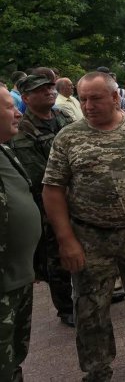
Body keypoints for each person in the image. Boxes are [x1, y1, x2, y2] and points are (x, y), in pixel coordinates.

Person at [42, 72, 125, 382]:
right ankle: (97, 369)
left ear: (115, 97)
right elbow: (52, 190)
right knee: (91, 309)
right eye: (83, 98)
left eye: (96, 98)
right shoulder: (68, 137)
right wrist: (66, 240)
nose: (88, 105)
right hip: (89, 237)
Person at [11, 75, 75, 327]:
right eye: (40, 90)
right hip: (48, 202)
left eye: (50, 87)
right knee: (57, 254)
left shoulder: (63, 117)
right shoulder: (23, 132)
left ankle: (85, 295)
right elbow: (40, 175)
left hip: (77, 195)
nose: (49, 92)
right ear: (26, 98)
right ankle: (66, 307)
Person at [0, 85, 41, 382]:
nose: (18, 113)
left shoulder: (4, 149)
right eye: (8, 107)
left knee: (14, 357)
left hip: (19, 279)